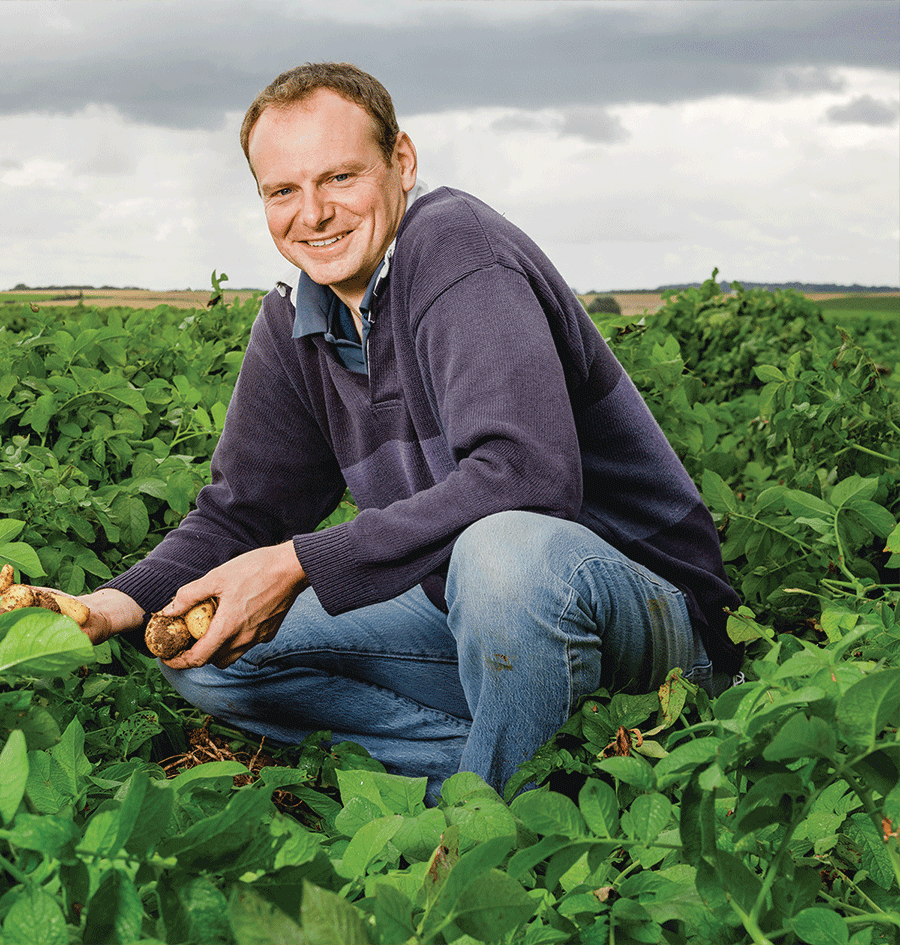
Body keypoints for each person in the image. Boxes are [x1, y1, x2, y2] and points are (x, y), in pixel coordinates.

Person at [67, 62, 741, 799]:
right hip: (474, 619)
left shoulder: (456, 246)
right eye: (283, 191)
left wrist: (297, 563)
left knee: (501, 550)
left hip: (648, 618)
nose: (314, 213)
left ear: (402, 162)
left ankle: (496, 822)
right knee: (210, 647)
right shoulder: (296, 319)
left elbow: (528, 476)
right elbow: (242, 512)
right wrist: (106, 607)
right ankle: (540, 772)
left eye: (340, 178)